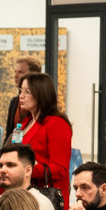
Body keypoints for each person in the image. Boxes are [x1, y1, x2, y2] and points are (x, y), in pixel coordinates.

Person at [13, 72, 72, 203]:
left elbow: (60, 169)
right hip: (24, 193)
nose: (21, 96)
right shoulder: (26, 122)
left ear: (41, 94)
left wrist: (24, 169)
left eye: (27, 92)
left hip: (45, 196)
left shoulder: (56, 123)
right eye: (21, 90)